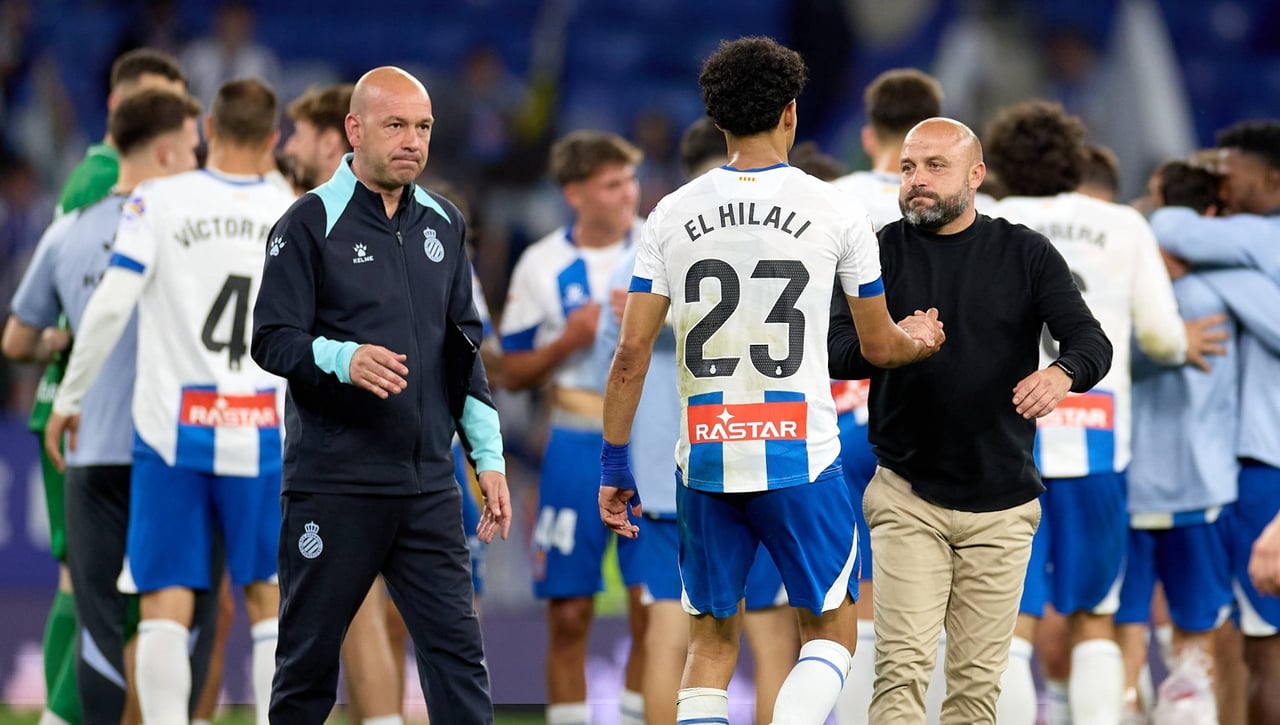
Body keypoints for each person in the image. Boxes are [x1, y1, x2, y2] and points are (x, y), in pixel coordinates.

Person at [599, 36, 944, 725]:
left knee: (709, 645)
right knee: (831, 634)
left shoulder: (670, 213)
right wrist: (922, 341)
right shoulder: (835, 209)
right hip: (800, 454)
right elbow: (878, 345)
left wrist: (614, 460)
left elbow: (631, 352)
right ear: (790, 112)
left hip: (706, 453)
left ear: (717, 118)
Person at [827, 116, 1113, 724]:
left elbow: (1091, 342)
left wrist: (1062, 374)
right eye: (908, 167)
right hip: (907, 494)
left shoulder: (1026, 252)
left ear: (976, 175)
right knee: (900, 672)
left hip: (1003, 504)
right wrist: (895, 343)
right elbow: (835, 349)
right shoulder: (876, 251)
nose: (917, 179)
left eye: (935, 166)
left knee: (977, 691)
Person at [252, 66, 511, 725]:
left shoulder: (445, 223)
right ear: (355, 129)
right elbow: (271, 339)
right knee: (306, 670)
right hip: (334, 485)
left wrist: (488, 459)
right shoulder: (307, 223)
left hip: (428, 488)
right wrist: (343, 358)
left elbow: (463, 353)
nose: (412, 141)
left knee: (460, 665)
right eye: (395, 125)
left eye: (423, 127)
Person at [43, 78, 294, 725]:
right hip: (261, 431)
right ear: (272, 138)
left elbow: (110, 306)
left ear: (208, 128)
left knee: (164, 601)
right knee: (268, 600)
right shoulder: (293, 210)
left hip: (171, 433)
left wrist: (72, 395)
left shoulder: (159, 200)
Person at [983, 100, 1219, 725]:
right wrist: (1184, 343)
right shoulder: (1122, 225)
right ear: (1072, 158)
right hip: (1097, 446)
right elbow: (1163, 338)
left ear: (999, 163)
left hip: (1006, 452)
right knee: (1095, 620)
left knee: (1010, 625)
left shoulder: (985, 224)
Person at [591, 115, 801, 725]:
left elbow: (618, 359)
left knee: (674, 631)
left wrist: (616, 457)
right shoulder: (782, 237)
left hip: (672, 470)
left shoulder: (650, 245)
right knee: (770, 635)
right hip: (765, 450)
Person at [4, 88, 200, 725]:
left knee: (95, 615)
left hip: (87, 444)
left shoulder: (68, 228)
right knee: (171, 610)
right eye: (191, 147)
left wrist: (62, 343)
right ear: (164, 150)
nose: (196, 159)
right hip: (166, 447)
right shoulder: (186, 226)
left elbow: (16, 339)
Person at [1116, 160, 1280, 724]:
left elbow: (1092, 358)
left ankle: (1123, 702)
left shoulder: (1125, 282)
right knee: (1197, 643)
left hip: (1132, 484)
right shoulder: (1226, 290)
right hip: (1202, 490)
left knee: (1118, 632)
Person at [499, 129, 647, 725]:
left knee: (650, 607)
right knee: (568, 614)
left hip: (649, 444)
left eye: (630, 180)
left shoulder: (661, 247)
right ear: (575, 193)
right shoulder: (541, 264)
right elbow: (510, 372)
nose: (628, 193)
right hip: (573, 442)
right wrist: (568, 341)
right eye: (612, 184)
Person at [828, 67, 956, 725]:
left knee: (849, 599)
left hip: (840, 416)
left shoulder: (826, 201)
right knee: (949, 599)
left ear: (866, 133)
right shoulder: (964, 205)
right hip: (936, 417)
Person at [279, 79, 408, 725]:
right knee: (368, 610)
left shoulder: (311, 219)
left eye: (301, 133)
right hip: (403, 443)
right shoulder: (412, 219)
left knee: (349, 610)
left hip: (352, 448)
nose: (289, 146)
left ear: (338, 140)